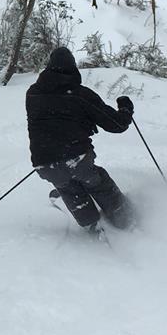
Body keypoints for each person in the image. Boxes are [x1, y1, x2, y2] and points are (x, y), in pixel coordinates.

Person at [26, 46, 135, 235]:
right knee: (97, 181)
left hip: (43, 163)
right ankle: (125, 220)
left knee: (67, 186)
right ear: (73, 68)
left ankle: (91, 224)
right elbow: (116, 125)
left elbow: (50, 118)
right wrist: (125, 108)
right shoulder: (80, 95)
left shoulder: (33, 94)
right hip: (76, 158)